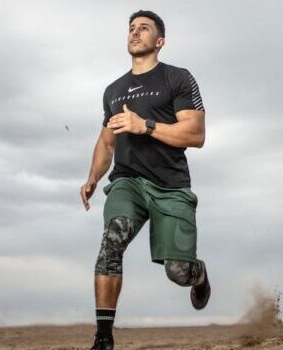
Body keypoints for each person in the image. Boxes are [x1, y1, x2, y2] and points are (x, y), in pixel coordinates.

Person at [78, 10, 210, 350]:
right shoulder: (114, 90)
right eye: (131, 28)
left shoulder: (177, 78)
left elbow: (196, 134)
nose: (135, 33)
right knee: (112, 240)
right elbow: (107, 141)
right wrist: (93, 177)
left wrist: (146, 126)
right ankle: (103, 338)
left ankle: (199, 273)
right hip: (128, 182)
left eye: (144, 28)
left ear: (160, 40)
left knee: (178, 272)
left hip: (170, 186)